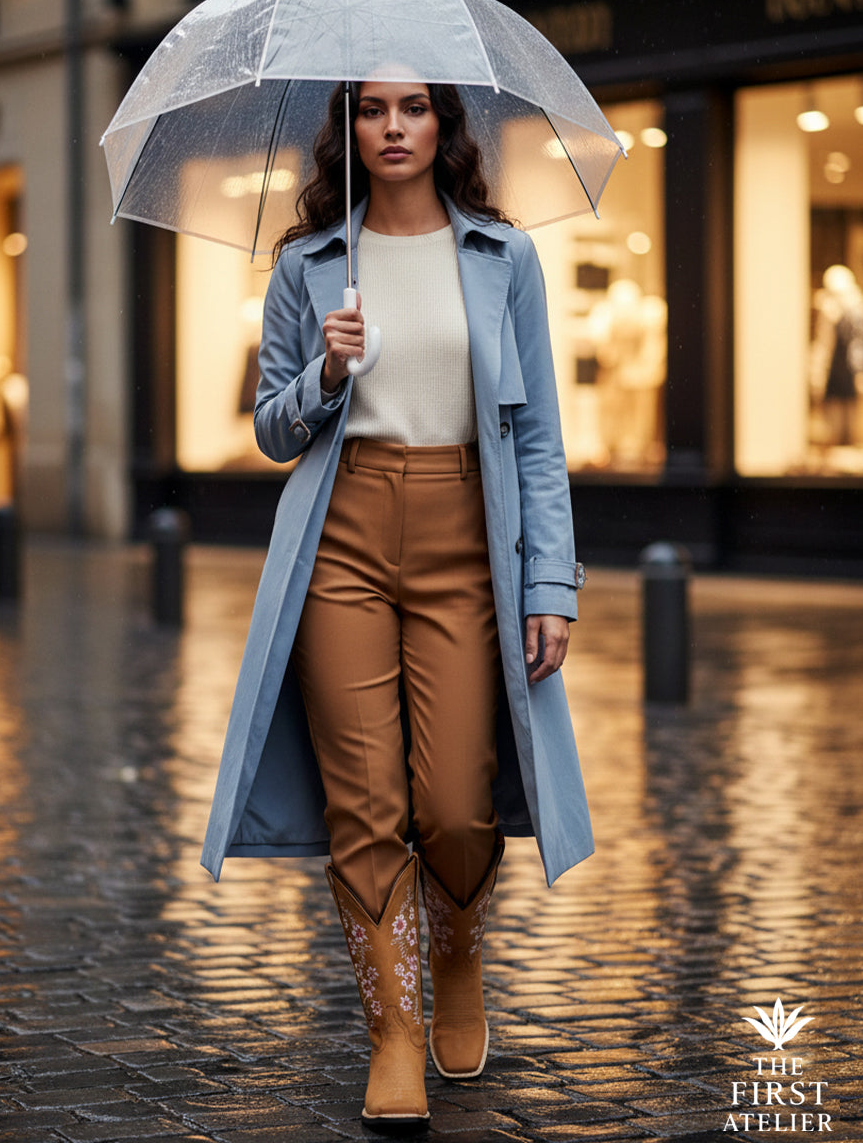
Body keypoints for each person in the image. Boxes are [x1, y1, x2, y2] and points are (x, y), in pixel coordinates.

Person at [201, 79, 592, 1130]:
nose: (393, 127)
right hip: (344, 539)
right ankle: (394, 1036)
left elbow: (540, 438)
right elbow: (270, 429)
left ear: (443, 124)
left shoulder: (504, 259)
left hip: (469, 534)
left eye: (413, 108)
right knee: (365, 803)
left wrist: (549, 582)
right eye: (371, 110)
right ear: (349, 130)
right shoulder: (307, 264)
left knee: (457, 802)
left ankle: (458, 956)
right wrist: (325, 375)